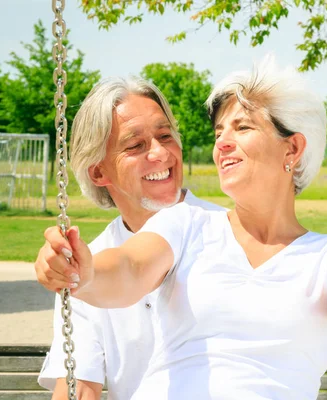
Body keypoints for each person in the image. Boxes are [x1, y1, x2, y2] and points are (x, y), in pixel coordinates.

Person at [41, 56, 327, 399]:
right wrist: (84, 273)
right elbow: (131, 268)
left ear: (292, 149)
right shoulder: (185, 223)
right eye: (219, 131)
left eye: (242, 127)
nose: (222, 143)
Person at [35, 76, 225, 400]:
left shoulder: (229, 232)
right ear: (98, 172)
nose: (160, 153)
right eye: (135, 145)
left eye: (165, 135)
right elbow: (79, 388)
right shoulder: (88, 263)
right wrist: (75, 273)